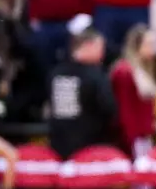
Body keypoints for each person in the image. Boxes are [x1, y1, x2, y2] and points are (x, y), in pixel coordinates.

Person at [46, 25, 121, 160]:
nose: (103, 54)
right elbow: (109, 109)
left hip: (59, 147)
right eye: (100, 48)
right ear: (88, 45)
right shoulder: (95, 76)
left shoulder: (55, 73)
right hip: (90, 150)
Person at [109, 24, 156, 157]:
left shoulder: (144, 70)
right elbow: (124, 109)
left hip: (145, 136)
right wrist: (130, 140)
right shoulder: (124, 71)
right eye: (148, 45)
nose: (152, 49)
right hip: (132, 139)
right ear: (137, 46)